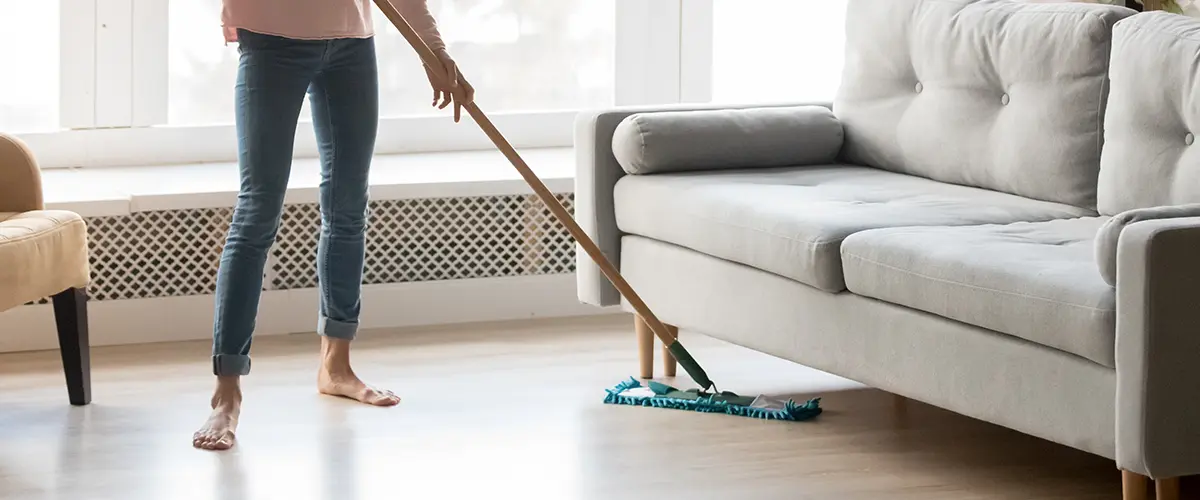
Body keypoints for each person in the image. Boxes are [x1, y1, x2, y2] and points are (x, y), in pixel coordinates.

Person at [192, 0, 473, 451]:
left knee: (347, 208)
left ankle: (335, 367)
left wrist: (434, 54)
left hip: (351, 46)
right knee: (257, 212)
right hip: (271, 40)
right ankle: (226, 392)